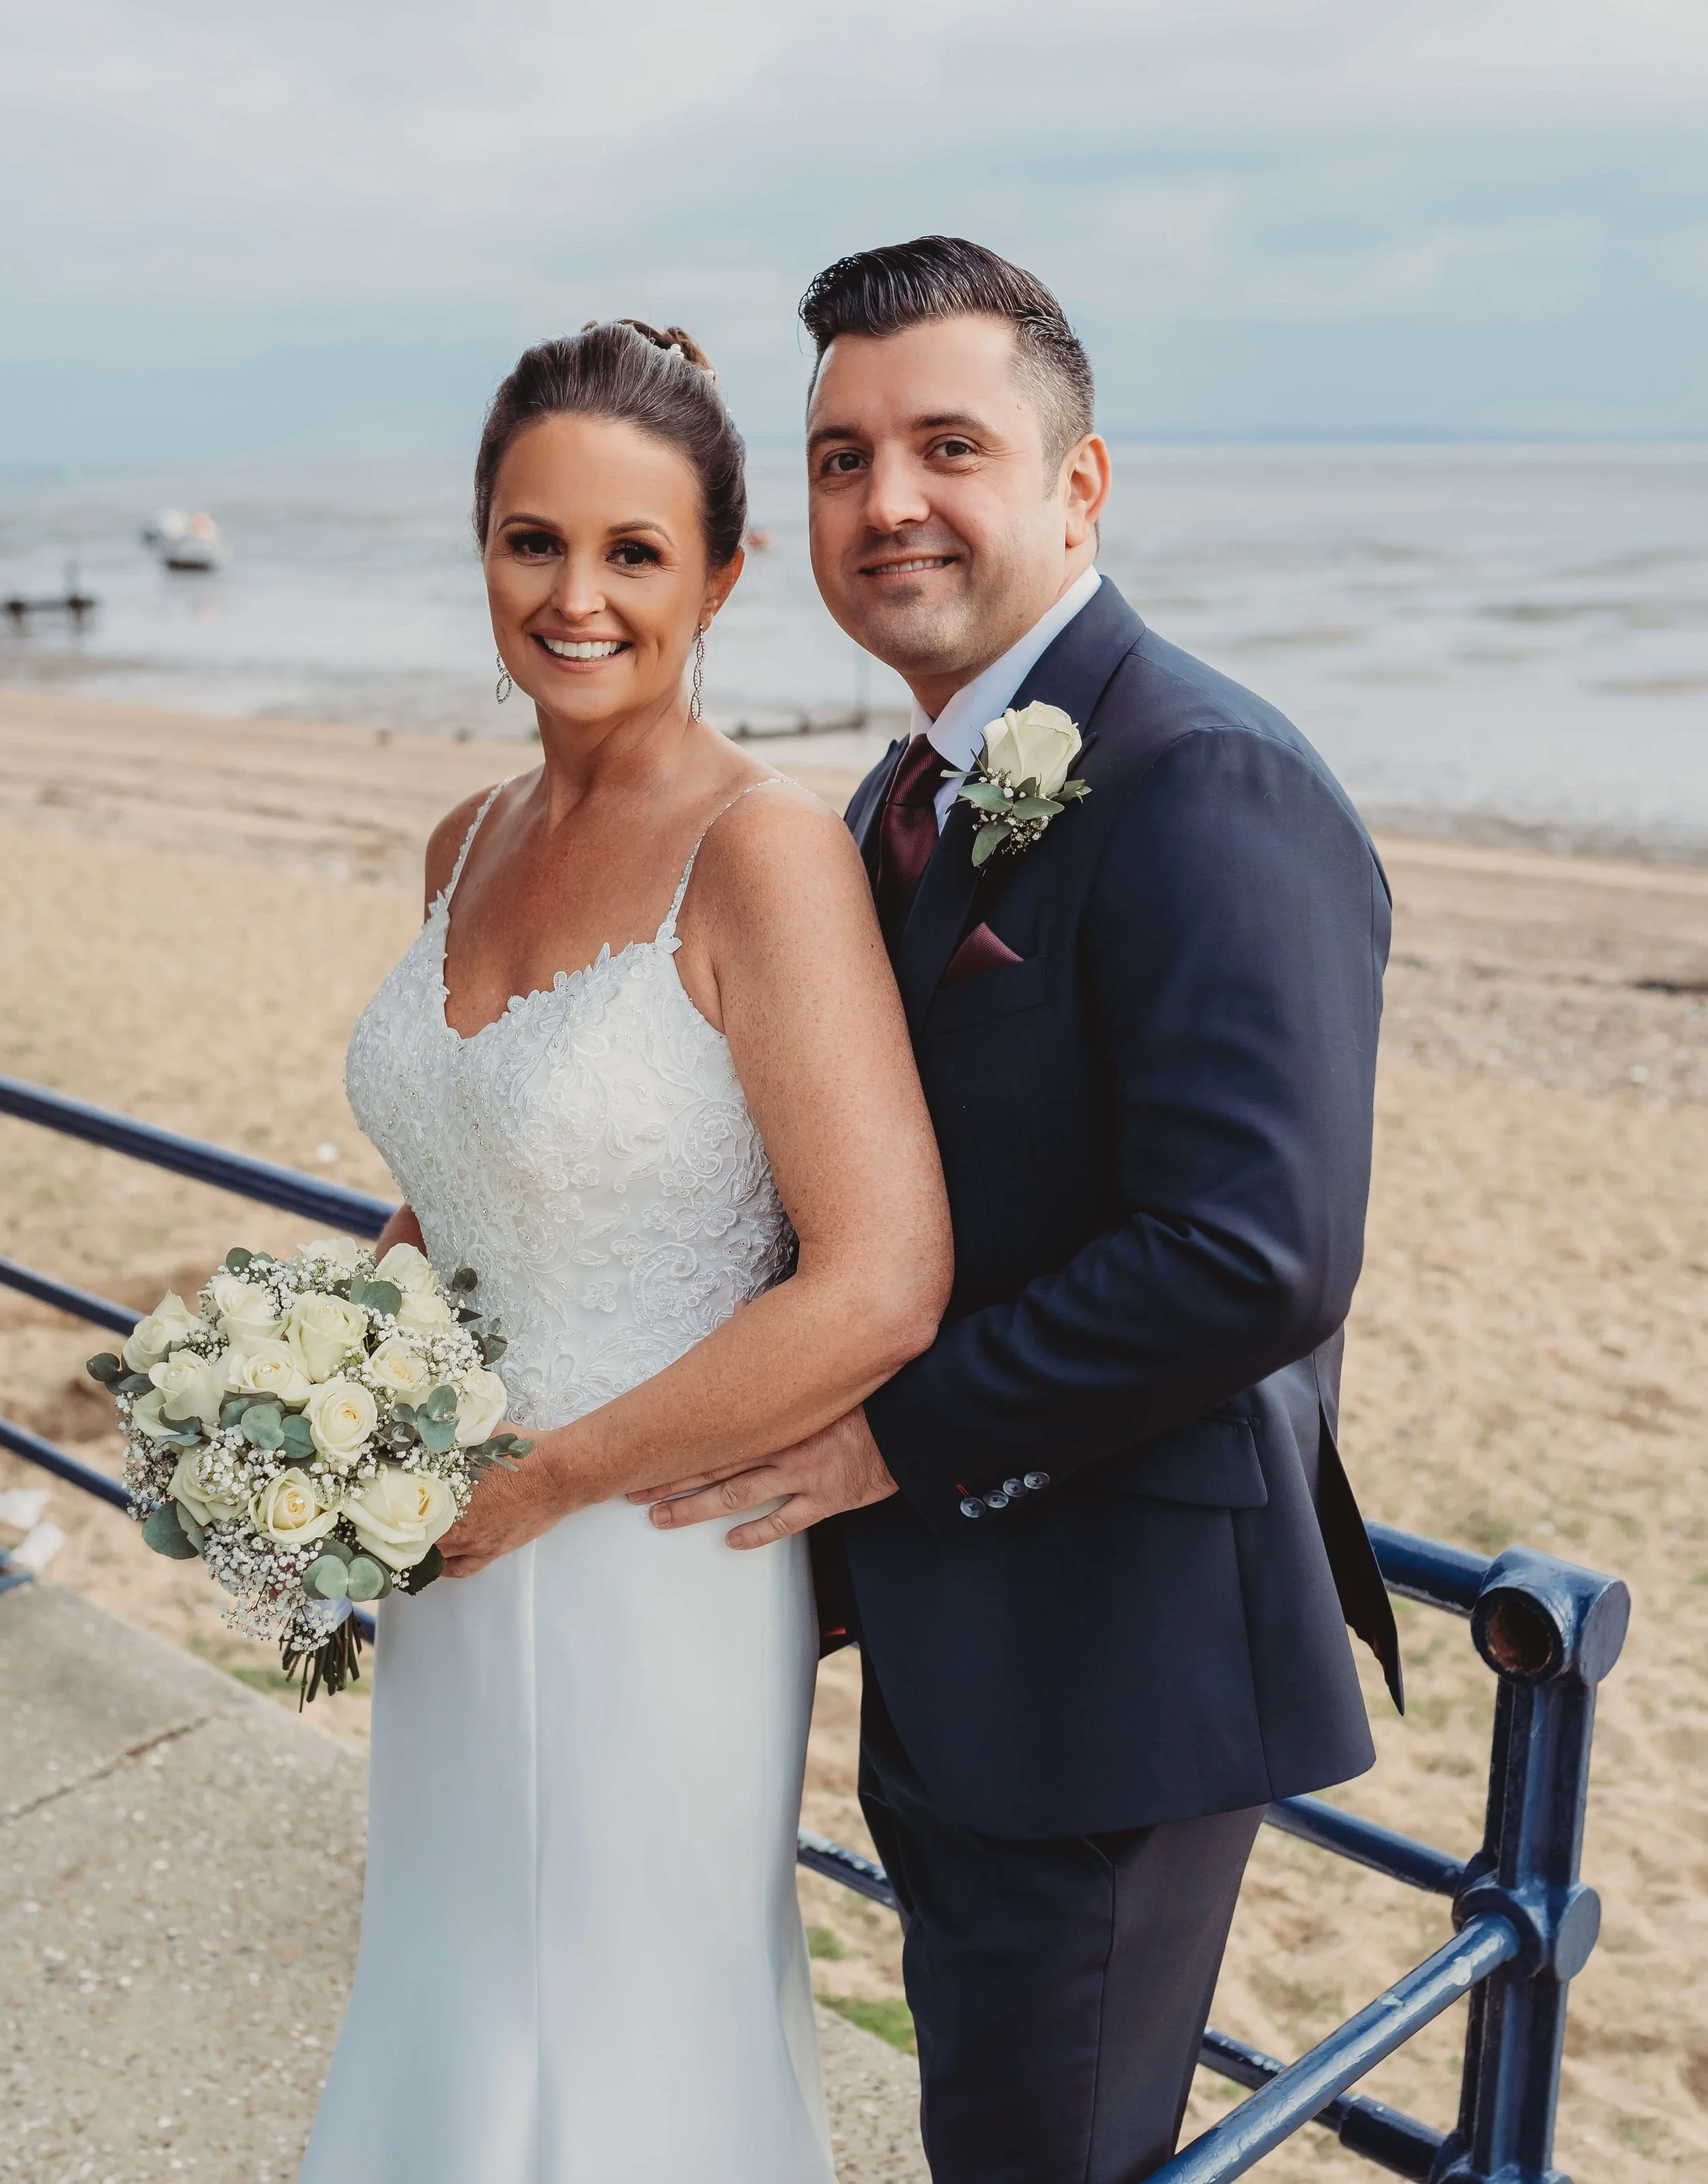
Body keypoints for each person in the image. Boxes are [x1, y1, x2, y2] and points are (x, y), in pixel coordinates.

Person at [645, 239, 1403, 2182]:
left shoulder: (1202, 778)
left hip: (1110, 1665)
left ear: (1076, 485)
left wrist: (885, 1434)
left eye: (944, 446)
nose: (884, 500)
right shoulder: (904, 800)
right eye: (836, 458)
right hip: (958, 1640)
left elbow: (1250, 1250)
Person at [301, 319, 953, 2183]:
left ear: (724, 577)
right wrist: (347, 1374)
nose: (574, 596)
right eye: (533, 541)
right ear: (484, 545)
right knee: (448, 1990)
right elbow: (474, 1174)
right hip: (447, 1552)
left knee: (628, 2048)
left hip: (653, 1561)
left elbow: (880, 1276)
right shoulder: (464, 837)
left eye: (633, 553)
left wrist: (551, 1479)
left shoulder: (763, 853)